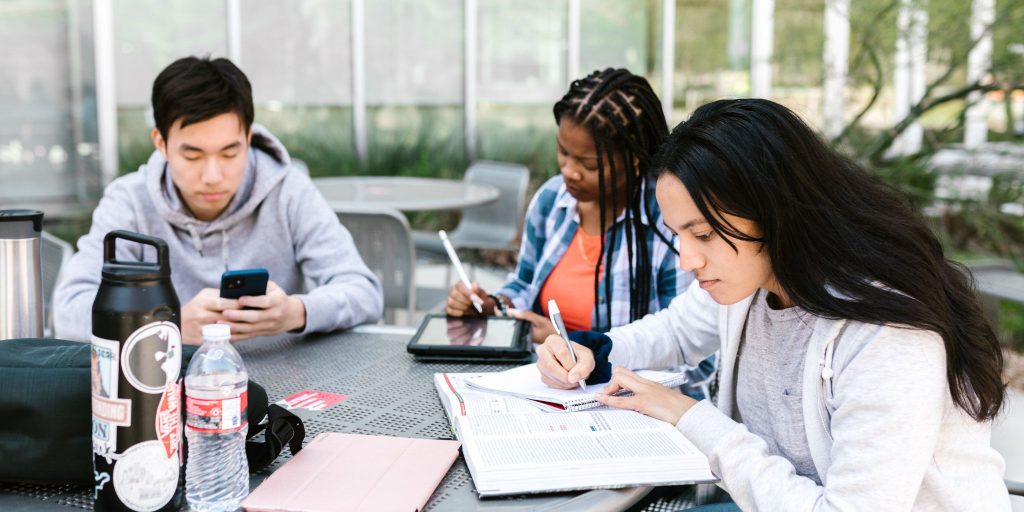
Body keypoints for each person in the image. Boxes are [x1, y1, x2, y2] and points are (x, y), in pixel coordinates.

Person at [537, 98, 1011, 509]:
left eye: (702, 233)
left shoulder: (887, 335)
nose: (686, 259)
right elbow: (675, 333)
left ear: (775, 210)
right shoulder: (754, 278)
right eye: (677, 233)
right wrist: (590, 352)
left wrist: (689, 415)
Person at [55, 56, 383, 344]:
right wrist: (168, 325)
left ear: (248, 137)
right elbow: (69, 310)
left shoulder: (288, 192)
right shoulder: (129, 202)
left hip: (283, 384)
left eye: (230, 152)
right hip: (166, 390)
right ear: (161, 142)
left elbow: (364, 291)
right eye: (193, 155)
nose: (213, 175)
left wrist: (296, 313)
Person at [446, 68, 714, 398]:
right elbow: (524, 284)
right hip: (548, 391)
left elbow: (691, 352)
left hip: (634, 407)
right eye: (563, 153)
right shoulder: (551, 201)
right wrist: (494, 307)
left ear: (632, 159)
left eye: (588, 164)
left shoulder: (668, 220)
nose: (569, 171)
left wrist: (574, 343)